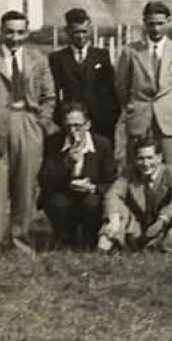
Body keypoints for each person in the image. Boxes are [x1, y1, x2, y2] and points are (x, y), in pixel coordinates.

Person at [0, 9, 56, 259]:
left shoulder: (38, 59)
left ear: (27, 32)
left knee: (25, 190)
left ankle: (20, 244)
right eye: (9, 31)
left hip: (28, 126)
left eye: (20, 32)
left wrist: (40, 124)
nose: (15, 37)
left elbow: (49, 96)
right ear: (1, 31)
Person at [115, 1, 172, 170]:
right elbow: (121, 84)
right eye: (151, 24)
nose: (156, 29)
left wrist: (171, 105)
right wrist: (130, 105)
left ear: (168, 22)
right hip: (140, 119)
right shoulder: (131, 51)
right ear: (144, 22)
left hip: (169, 120)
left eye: (160, 24)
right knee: (137, 168)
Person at [38, 102, 117, 249]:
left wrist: (92, 187)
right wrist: (66, 164)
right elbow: (45, 179)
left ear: (88, 125)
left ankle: (89, 240)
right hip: (62, 193)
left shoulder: (101, 144)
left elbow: (111, 179)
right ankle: (65, 240)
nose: (72, 130)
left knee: (92, 203)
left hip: (90, 195)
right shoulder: (54, 142)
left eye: (77, 126)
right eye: (68, 126)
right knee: (58, 203)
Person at [98, 137, 172, 251]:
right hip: (137, 226)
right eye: (141, 158)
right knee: (117, 208)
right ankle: (105, 248)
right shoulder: (129, 172)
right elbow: (113, 193)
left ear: (159, 158)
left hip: (164, 225)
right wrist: (114, 216)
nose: (145, 163)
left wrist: (163, 220)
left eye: (149, 158)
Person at [47, 8, 120, 142]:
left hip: (100, 122)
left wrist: (111, 118)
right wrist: (57, 120)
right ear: (68, 31)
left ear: (90, 30)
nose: (81, 36)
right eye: (76, 32)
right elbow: (54, 93)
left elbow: (111, 90)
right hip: (70, 122)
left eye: (84, 31)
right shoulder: (57, 58)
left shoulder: (102, 55)